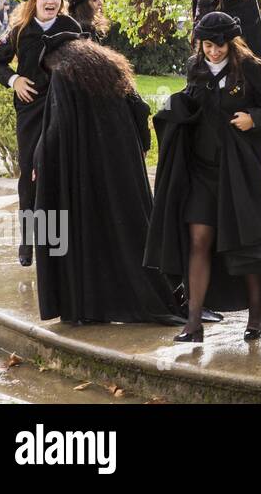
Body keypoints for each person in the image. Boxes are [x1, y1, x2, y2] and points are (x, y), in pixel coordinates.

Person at [145, 12, 261, 343]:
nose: (213, 52)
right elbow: (194, 106)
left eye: (219, 46)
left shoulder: (250, 68)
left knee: (246, 243)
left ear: (232, 41)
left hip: (239, 173)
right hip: (201, 172)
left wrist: (254, 119)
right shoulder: (196, 68)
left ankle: (255, 314)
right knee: (199, 240)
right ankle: (194, 323)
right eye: (207, 45)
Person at [31, 32, 183, 325]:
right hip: (124, 165)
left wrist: (41, 159)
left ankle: (92, 305)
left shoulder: (64, 75)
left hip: (89, 169)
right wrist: (140, 145)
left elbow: (58, 125)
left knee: (92, 232)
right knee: (129, 229)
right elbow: (140, 108)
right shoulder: (111, 67)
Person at [0, 0, 82, 266]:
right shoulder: (19, 31)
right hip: (31, 110)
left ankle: (59, 242)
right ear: (34, 2)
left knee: (60, 170)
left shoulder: (71, 29)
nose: (51, 1)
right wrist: (14, 80)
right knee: (30, 174)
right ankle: (28, 241)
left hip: (63, 109)